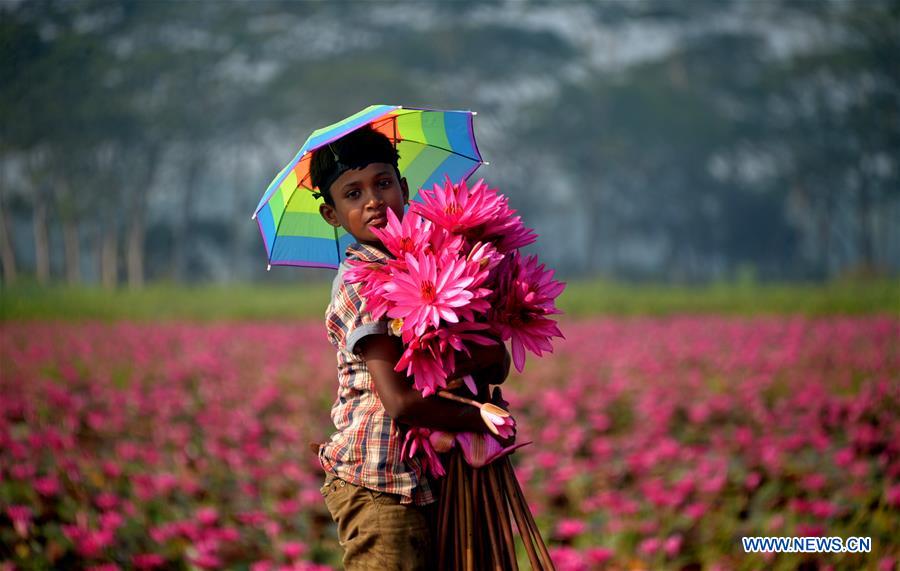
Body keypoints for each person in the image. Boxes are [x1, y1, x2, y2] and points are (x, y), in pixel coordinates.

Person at [311, 125, 513, 570]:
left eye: (383, 183)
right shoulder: (359, 282)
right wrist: (478, 416)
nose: (373, 201)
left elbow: (495, 362)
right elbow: (401, 402)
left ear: (403, 187)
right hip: (377, 480)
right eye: (353, 193)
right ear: (332, 214)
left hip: (428, 476)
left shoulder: (433, 262)